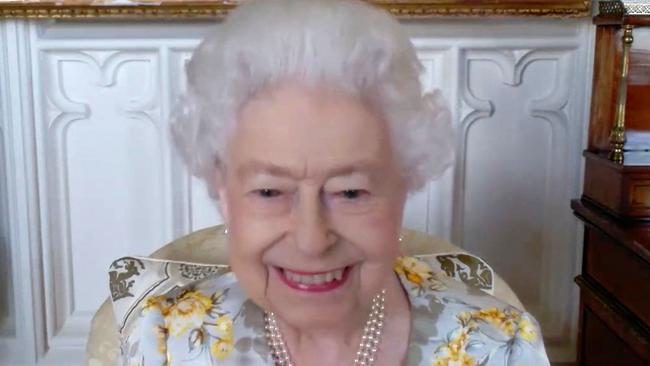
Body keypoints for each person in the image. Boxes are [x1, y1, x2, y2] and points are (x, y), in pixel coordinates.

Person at [108, 0, 550, 365]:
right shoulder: (164, 341)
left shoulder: (498, 345)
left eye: (350, 192)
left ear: (404, 187)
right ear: (223, 193)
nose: (312, 240)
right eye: (269, 191)